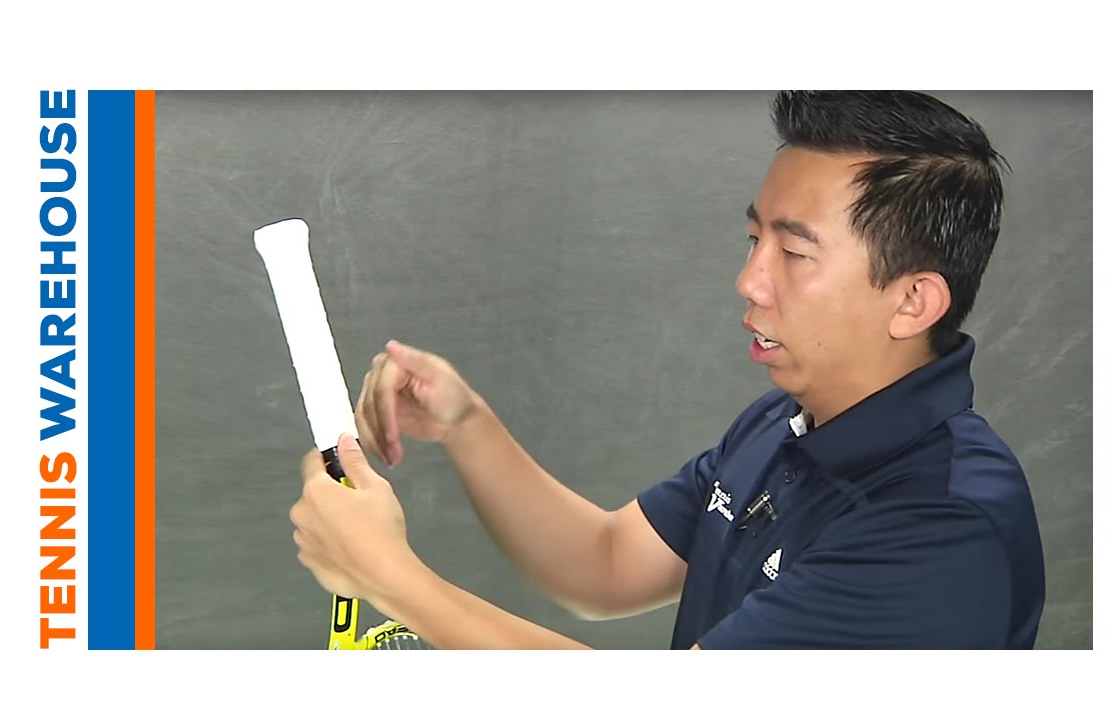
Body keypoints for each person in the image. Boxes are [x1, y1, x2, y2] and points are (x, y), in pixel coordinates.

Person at [288, 90, 1047, 650]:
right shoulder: (789, 423)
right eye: (753, 239)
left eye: (793, 252)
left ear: (913, 301)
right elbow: (607, 563)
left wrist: (390, 577)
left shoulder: (943, 530)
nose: (748, 281)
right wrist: (465, 423)